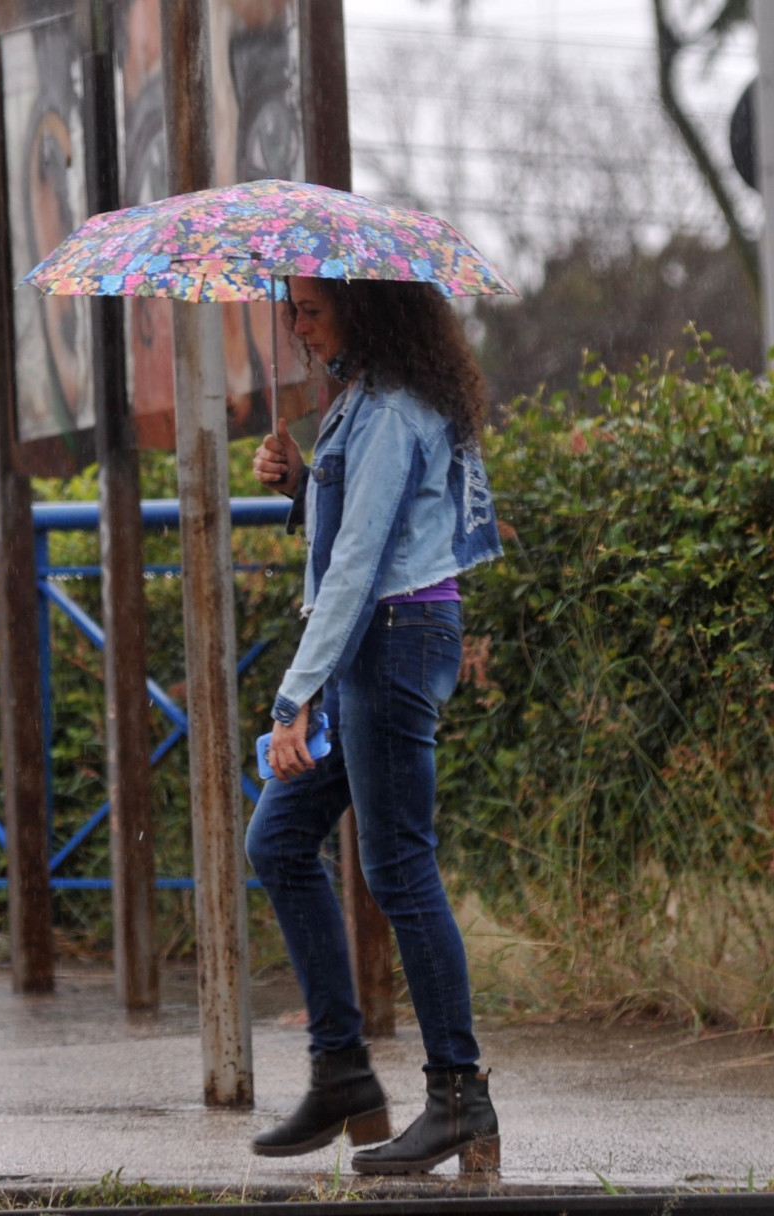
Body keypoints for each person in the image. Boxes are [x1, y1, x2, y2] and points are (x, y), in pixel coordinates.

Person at [245, 275, 503, 1174]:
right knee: (278, 840)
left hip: (390, 637)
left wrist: (293, 698)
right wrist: (296, 483)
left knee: (397, 868)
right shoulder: (359, 398)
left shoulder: (391, 407)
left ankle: (459, 1099)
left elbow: (358, 564)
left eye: (310, 309)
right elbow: (349, 524)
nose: (296, 324)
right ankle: (343, 1071)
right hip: (374, 635)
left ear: (367, 307)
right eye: (294, 310)